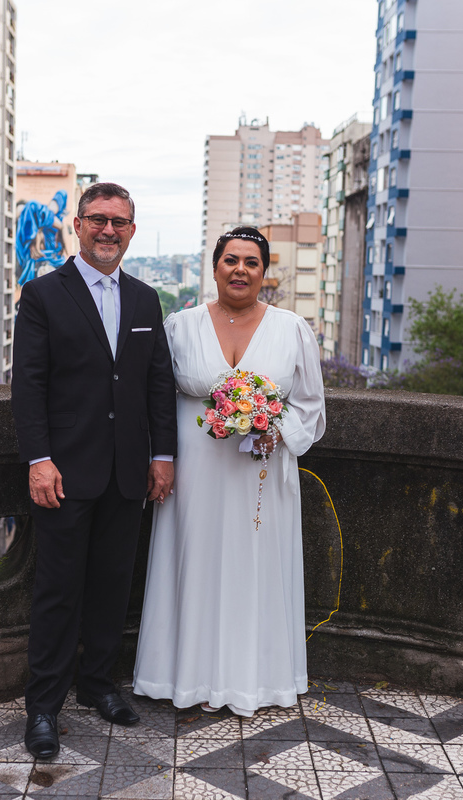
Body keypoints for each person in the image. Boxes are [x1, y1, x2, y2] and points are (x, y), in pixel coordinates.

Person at [11, 183, 177, 758]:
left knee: (111, 586)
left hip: (128, 471)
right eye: (99, 220)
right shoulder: (41, 295)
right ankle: (43, 708)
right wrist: (39, 460)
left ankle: (99, 686)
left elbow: (158, 383)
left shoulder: (145, 299)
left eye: (120, 223)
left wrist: (163, 456)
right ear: (77, 226)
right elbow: (28, 387)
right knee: (57, 592)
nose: (109, 231)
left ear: (132, 231)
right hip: (63, 471)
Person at [133, 226, 326, 717]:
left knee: (254, 566)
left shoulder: (292, 329)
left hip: (261, 470)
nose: (241, 269)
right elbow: (156, 397)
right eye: (231, 260)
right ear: (215, 267)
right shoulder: (180, 325)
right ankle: (182, 675)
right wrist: (160, 459)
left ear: (264, 272)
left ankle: (253, 680)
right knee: (192, 561)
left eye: (252, 262)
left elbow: (310, 406)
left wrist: (276, 430)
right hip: (194, 471)